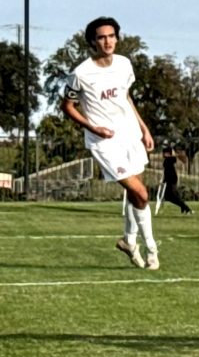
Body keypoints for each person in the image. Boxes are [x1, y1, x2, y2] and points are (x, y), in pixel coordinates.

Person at [62, 16, 161, 270]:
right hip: (104, 142)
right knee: (141, 193)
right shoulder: (81, 74)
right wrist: (92, 127)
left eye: (111, 36)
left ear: (117, 38)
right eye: (101, 37)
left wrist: (143, 128)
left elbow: (126, 97)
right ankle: (151, 249)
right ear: (93, 42)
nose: (107, 41)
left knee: (134, 193)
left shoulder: (125, 64)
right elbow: (68, 107)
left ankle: (128, 241)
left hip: (130, 135)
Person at [159, 147, 193, 215]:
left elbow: (175, 159)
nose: (162, 154)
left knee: (172, 196)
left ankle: (186, 208)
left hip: (171, 180)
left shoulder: (170, 159)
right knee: (172, 196)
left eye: (164, 153)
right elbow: (166, 172)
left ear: (167, 153)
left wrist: (173, 153)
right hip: (170, 180)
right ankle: (184, 207)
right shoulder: (168, 160)